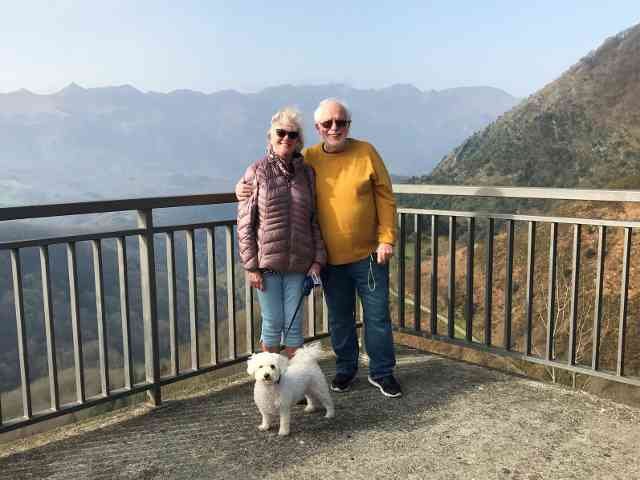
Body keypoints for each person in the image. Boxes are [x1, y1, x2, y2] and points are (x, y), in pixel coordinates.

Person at [237, 99, 402, 398]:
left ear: (348, 125)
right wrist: (240, 187)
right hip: (330, 260)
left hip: (368, 254)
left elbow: (385, 197)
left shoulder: (365, 152)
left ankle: (382, 372)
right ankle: (346, 370)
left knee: (377, 317)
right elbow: (265, 177)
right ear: (317, 129)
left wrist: (386, 238)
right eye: (327, 124)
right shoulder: (309, 159)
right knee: (339, 318)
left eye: (340, 122)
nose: (334, 128)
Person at [237, 107, 326, 359]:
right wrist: (251, 266)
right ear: (270, 136)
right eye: (281, 132)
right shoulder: (257, 171)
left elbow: (314, 220)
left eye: (292, 134)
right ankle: (273, 384)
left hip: (300, 263)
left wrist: (318, 260)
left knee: (295, 327)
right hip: (268, 266)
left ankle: (291, 384)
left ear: (299, 141)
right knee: (272, 324)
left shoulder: (308, 174)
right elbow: (245, 224)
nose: (286, 138)